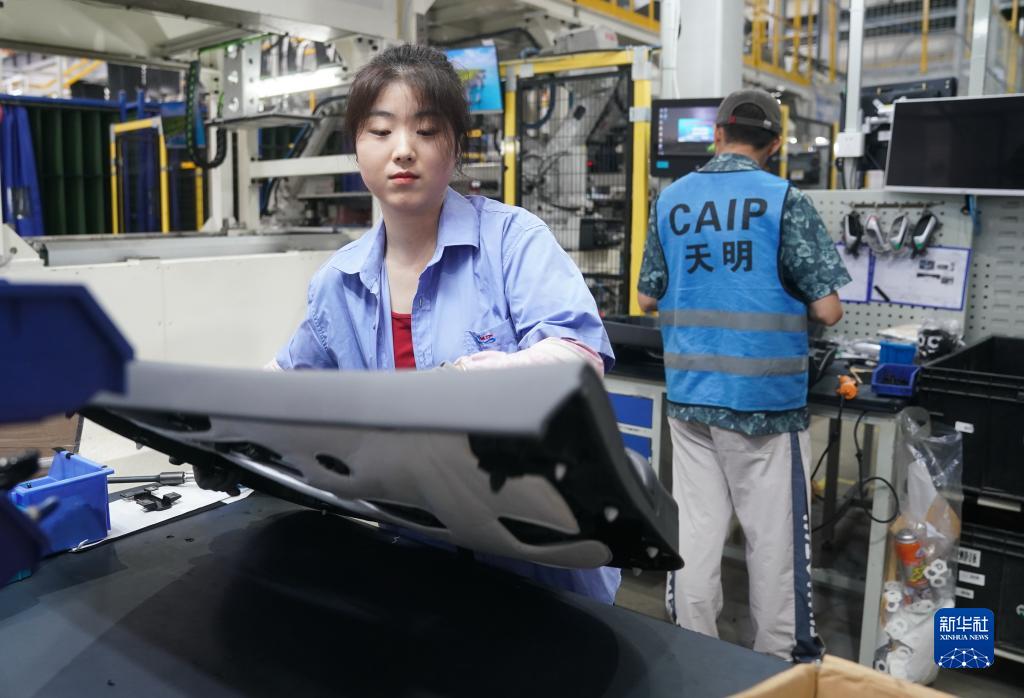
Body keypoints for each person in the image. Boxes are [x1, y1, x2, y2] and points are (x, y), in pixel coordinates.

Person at [272, 44, 620, 604]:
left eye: (427, 130)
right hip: (417, 561)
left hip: (540, 564)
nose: (403, 150)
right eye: (380, 131)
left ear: (456, 145)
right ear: (356, 146)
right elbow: (284, 388)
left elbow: (577, 362)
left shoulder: (512, 242)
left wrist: (458, 382)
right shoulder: (338, 282)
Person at [636, 89, 851, 661]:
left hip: (690, 396)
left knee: (697, 530)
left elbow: (647, 297)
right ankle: (780, 664)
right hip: (765, 402)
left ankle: (692, 649)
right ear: (775, 145)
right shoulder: (784, 200)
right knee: (774, 542)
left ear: (717, 135)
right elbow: (829, 310)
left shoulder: (670, 201)